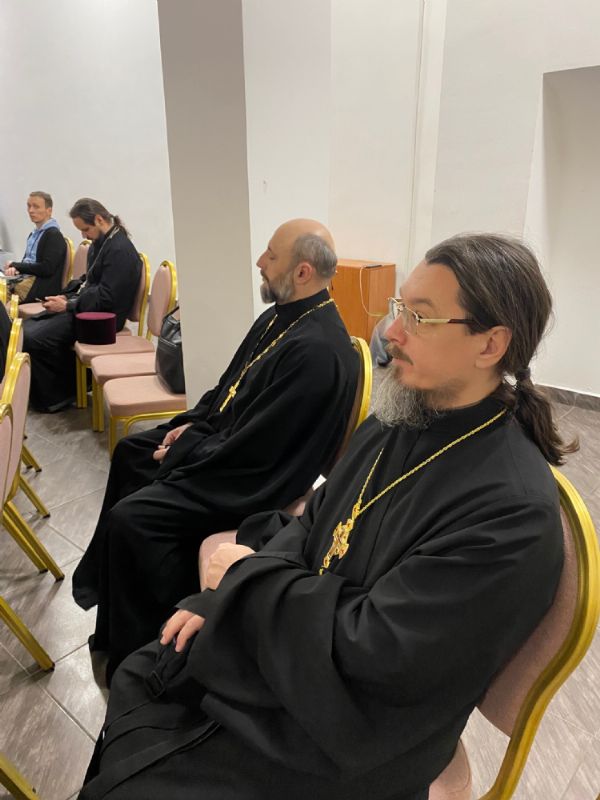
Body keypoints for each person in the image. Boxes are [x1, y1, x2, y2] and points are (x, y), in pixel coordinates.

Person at [79, 233, 574, 800]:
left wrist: (244, 583)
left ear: (491, 344)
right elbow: (314, 524)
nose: (391, 332)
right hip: (295, 655)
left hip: (346, 734)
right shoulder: (398, 419)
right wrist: (223, 598)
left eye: (419, 317)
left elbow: (377, 652)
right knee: (143, 670)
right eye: (399, 308)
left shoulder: (511, 513)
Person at [72, 218, 359, 678]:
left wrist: (189, 448)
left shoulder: (317, 350)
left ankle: (142, 654)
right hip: (229, 448)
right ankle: (110, 608)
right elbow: (228, 390)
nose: (260, 262)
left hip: (254, 480)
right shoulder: (280, 317)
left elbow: (262, 448)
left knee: (133, 520)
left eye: (271, 256)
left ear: (303, 272)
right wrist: (190, 425)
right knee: (131, 453)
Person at [22, 198, 141, 412]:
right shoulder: (102, 243)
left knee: (34, 337)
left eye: (85, 229)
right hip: (89, 309)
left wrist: (68, 305)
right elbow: (90, 281)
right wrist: (66, 298)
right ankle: (52, 390)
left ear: (99, 219)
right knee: (26, 329)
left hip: (105, 320)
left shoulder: (120, 250)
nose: (84, 236)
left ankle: (63, 391)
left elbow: (107, 297)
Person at [3, 191, 66, 304]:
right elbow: (28, 263)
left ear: (49, 210)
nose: (31, 210)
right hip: (25, 280)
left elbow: (47, 268)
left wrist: (17, 265)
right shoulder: (33, 235)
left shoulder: (53, 235)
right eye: (29, 206)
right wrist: (15, 269)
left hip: (39, 286)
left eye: (36, 207)